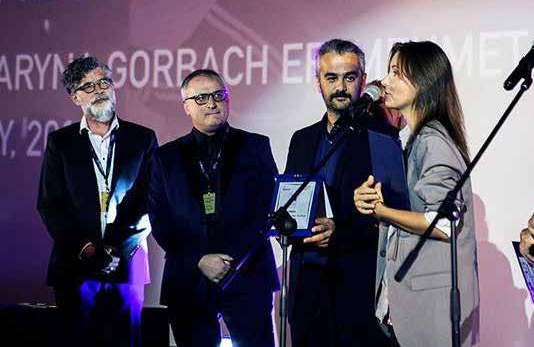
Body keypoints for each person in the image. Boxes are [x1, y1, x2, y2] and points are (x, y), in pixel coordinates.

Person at [354, 41, 480, 347]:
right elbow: (411, 216)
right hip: (408, 305)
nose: (384, 82)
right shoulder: (417, 139)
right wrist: (372, 203)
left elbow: (443, 223)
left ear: (423, 82)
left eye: (396, 72)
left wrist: (382, 212)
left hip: (429, 309)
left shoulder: (433, 142)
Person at [149, 69, 279, 347]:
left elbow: (267, 209)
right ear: (186, 106)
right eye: (202, 97)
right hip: (188, 277)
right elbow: (161, 220)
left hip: (247, 273)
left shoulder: (255, 146)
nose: (212, 103)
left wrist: (229, 259)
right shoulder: (165, 158)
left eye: (219, 95)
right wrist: (199, 259)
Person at [37, 56, 158, 347]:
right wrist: (87, 248)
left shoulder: (142, 138)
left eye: (104, 81)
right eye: (88, 86)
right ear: (75, 97)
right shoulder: (61, 142)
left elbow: (150, 200)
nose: (99, 90)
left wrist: (115, 247)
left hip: (127, 264)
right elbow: (50, 204)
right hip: (76, 265)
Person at [284, 39, 391, 347]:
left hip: (357, 286)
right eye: (331, 78)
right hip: (307, 287)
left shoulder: (382, 136)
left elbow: (391, 216)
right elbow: (294, 202)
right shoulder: (301, 140)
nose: (341, 87)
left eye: (350, 77)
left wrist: (340, 231)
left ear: (364, 80)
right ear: (318, 82)